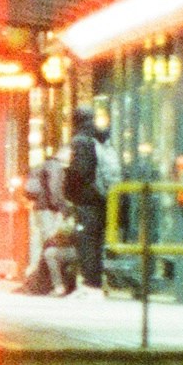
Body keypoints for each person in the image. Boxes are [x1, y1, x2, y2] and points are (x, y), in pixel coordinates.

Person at [62, 108, 110, 293]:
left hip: (86, 199)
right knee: (96, 241)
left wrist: (69, 189)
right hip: (100, 198)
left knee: (87, 241)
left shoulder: (80, 141)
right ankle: (95, 282)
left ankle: (91, 284)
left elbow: (80, 172)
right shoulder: (98, 138)